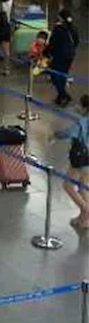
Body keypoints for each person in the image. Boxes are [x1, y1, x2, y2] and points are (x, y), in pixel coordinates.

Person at [52, 94, 88, 230]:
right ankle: (84, 219)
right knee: (83, 187)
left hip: (82, 158)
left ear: (85, 108)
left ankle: (86, 210)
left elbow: (68, 133)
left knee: (68, 185)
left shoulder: (83, 122)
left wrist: (54, 135)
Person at [45, 8, 80, 107]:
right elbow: (77, 41)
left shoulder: (58, 29)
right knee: (63, 75)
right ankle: (60, 96)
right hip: (70, 56)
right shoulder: (74, 28)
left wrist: (46, 53)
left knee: (54, 75)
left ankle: (64, 95)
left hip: (59, 56)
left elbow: (52, 44)